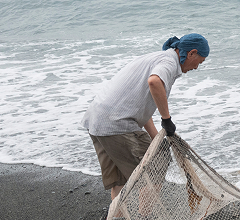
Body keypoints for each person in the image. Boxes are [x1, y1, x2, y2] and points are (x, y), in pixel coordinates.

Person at [82, 34, 209, 204]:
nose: (196, 67)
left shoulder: (157, 58)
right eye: (199, 62)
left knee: (120, 179)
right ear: (192, 53)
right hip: (117, 124)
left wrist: (158, 136)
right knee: (157, 165)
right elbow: (154, 82)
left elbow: (142, 108)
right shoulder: (169, 62)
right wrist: (166, 119)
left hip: (98, 121)